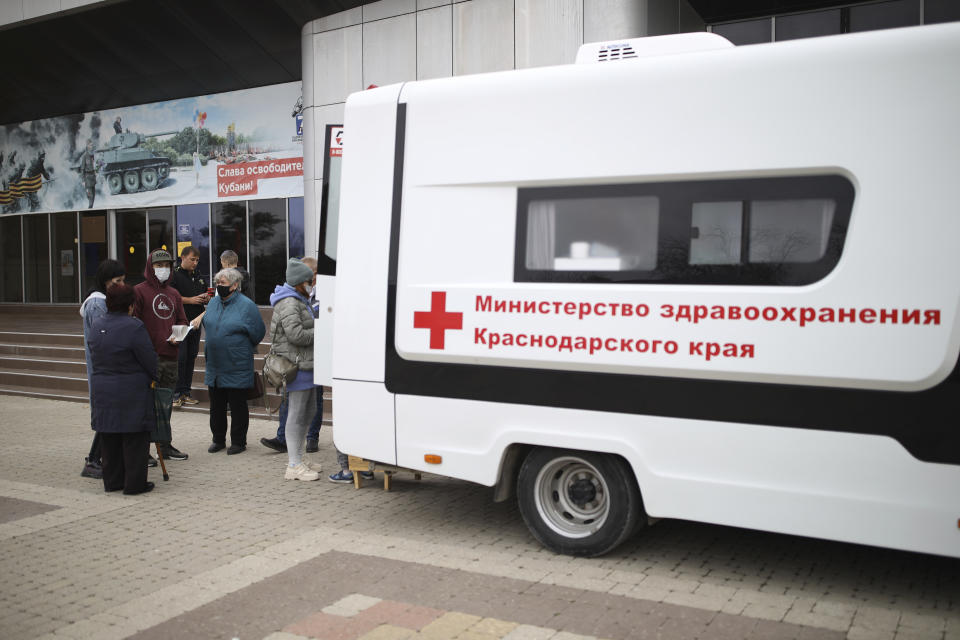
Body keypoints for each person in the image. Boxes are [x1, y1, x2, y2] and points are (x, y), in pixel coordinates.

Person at [88, 283, 157, 495]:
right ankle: (134, 484)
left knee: (109, 437)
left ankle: (113, 481)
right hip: (131, 391)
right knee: (134, 438)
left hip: (103, 388)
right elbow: (149, 359)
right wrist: (154, 376)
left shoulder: (96, 325)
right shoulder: (134, 326)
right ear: (130, 304)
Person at [260, 257, 321, 454]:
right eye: (309, 281)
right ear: (299, 282)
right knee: (297, 414)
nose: (311, 285)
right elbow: (296, 335)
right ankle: (294, 463)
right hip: (297, 366)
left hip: (305, 364)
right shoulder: (289, 302)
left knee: (308, 412)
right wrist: (321, 331)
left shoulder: (299, 300)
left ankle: (300, 458)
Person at [200, 268, 265, 455]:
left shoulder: (247, 305)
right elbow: (209, 324)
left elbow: (258, 331)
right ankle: (218, 439)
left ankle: (238, 442)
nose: (219, 286)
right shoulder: (213, 303)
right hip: (215, 364)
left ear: (235, 285)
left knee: (237, 405)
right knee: (216, 406)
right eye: (218, 282)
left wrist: (238, 346)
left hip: (237, 363)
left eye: (223, 283)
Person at [133, 248, 189, 461]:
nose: (163, 269)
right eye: (159, 266)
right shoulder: (139, 291)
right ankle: (142, 449)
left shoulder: (174, 294)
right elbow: (134, 322)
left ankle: (164, 445)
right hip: (148, 358)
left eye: (167, 266)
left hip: (170, 356)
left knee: (165, 405)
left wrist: (179, 334)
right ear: (150, 267)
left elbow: (182, 320)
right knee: (146, 405)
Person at [79, 259, 126, 479]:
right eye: (117, 281)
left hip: (107, 368)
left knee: (110, 414)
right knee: (107, 415)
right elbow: (105, 336)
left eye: (123, 281)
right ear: (105, 281)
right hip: (104, 368)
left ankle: (101, 458)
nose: (121, 285)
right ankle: (93, 460)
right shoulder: (96, 304)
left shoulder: (103, 299)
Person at [171, 246, 208, 408]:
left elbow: (206, 291)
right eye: (192, 259)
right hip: (179, 322)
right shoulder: (174, 275)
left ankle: (186, 392)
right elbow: (171, 296)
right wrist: (190, 300)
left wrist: (205, 297)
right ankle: (176, 394)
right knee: (180, 357)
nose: (195, 263)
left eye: (197, 260)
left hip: (195, 323)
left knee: (191, 357)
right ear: (183, 257)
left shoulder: (198, 276)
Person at [79, 139, 96, 209]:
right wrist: (83, 180)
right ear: (87, 146)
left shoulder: (92, 155)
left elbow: (94, 165)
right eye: (91, 145)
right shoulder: (84, 156)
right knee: (90, 195)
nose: (92, 146)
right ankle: (90, 209)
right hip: (87, 178)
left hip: (93, 177)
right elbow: (82, 169)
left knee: (94, 195)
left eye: (92, 145)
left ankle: (91, 207)